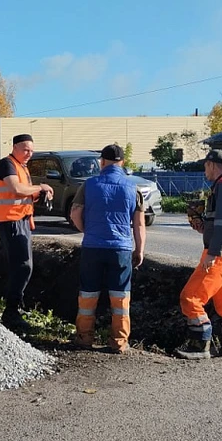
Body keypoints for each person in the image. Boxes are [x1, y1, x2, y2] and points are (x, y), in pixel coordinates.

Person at [69, 144, 146, 353]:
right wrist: (139, 250)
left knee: (88, 294)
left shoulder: (89, 184)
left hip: (92, 247)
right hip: (121, 249)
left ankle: (84, 338)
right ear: (122, 163)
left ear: (101, 162)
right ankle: (119, 342)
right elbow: (139, 224)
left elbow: (75, 213)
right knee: (120, 296)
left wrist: (87, 230)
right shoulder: (133, 188)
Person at [176, 149, 222, 359]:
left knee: (190, 297)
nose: (205, 171)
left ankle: (199, 346)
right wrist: (207, 228)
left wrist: (213, 251)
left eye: (205, 167)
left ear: (212, 165)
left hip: (219, 254)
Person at [0, 134, 53, 329]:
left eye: (32, 150)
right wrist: (40, 186)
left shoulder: (22, 167)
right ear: (15, 147)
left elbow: (24, 193)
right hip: (11, 222)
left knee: (22, 266)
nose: (29, 154)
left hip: (22, 221)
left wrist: (40, 193)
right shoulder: (6, 164)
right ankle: (11, 312)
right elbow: (16, 188)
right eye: (26, 149)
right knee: (22, 266)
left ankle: (16, 306)